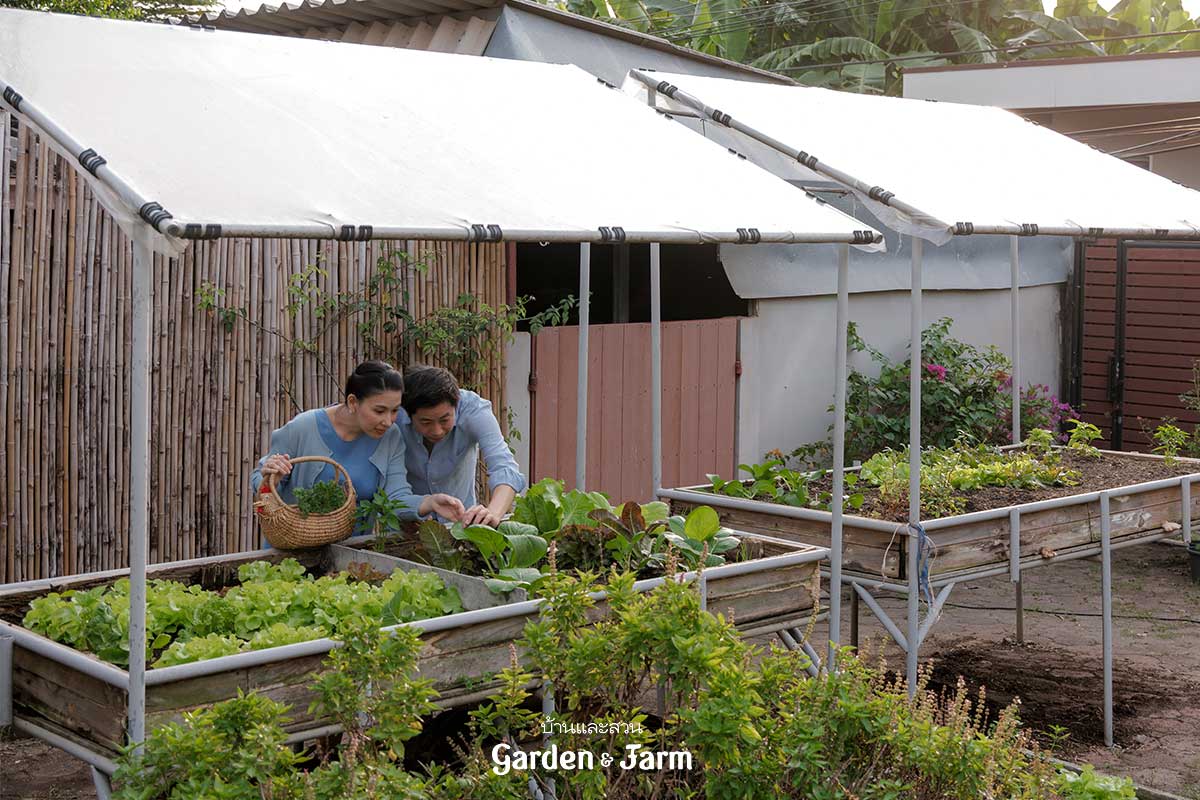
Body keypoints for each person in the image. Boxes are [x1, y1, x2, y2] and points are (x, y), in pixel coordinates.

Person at [251, 360, 465, 526]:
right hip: (291, 550)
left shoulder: (391, 438)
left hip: (350, 555)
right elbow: (259, 483)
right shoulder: (304, 427)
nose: (388, 421)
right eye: (379, 411)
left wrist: (430, 502)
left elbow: (395, 498)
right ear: (353, 402)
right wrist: (272, 476)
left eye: (394, 411)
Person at [396, 365, 527, 527]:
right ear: (408, 413)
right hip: (405, 527)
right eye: (426, 422)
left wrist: (493, 513)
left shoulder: (474, 410)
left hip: (461, 525)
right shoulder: (395, 417)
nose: (437, 431)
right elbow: (389, 491)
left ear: (456, 405)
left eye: (445, 420)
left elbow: (505, 468)